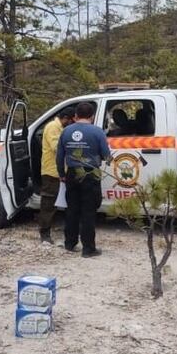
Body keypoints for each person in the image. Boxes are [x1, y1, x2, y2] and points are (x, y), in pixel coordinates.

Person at [57, 101, 111, 258]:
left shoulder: (66, 131)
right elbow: (106, 156)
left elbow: (59, 156)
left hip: (72, 173)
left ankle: (70, 243)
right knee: (88, 211)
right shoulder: (98, 132)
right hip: (90, 173)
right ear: (92, 116)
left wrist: (61, 173)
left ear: (75, 116)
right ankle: (88, 249)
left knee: (71, 209)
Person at [38, 106, 75, 244]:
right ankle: (44, 233)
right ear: (65, 118)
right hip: (52, 172)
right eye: (71, 121)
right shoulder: (53, 127)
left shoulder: (62, 128)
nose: (72, 124)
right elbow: (56, 148)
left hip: (63, 170)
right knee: (48, 204)